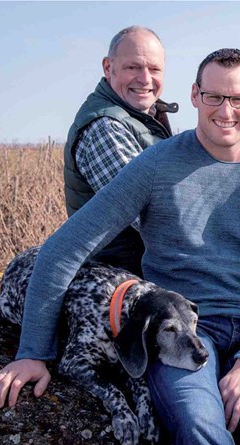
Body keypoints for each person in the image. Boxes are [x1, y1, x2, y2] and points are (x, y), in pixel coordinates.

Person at [0, 48, 240, 445]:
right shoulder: (157, 164)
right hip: (180, 327)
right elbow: (64, 248)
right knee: (200, 428)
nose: (225, 111)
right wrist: (33, 352)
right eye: (213, 97)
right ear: (194, 95)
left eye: (238, 99)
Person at [64, 26, 178, 278]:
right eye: (133, 67)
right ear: (108, 67)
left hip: (148, 272)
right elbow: (153, 218)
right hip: (123, 282)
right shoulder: (104, 128)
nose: (145, 79)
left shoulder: (144, 117)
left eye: (154, 69)